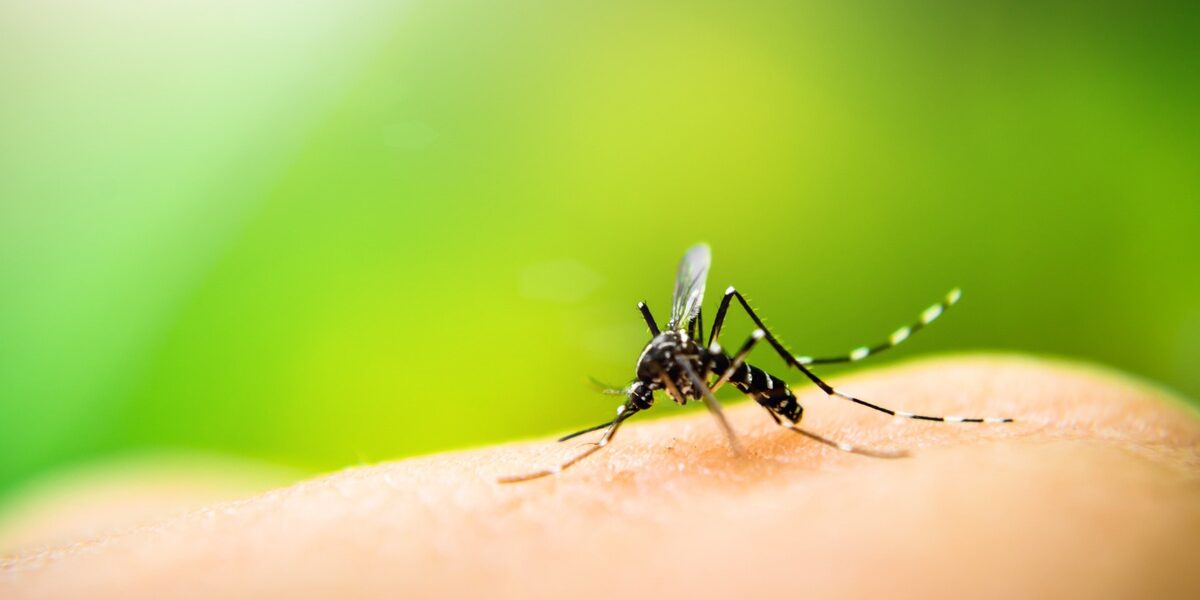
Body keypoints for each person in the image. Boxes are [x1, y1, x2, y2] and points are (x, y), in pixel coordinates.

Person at [3, 355, 1198, 598]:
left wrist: (771, 415)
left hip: (780, 386)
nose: (643, 405)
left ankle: (823, 402)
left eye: (638, 400)